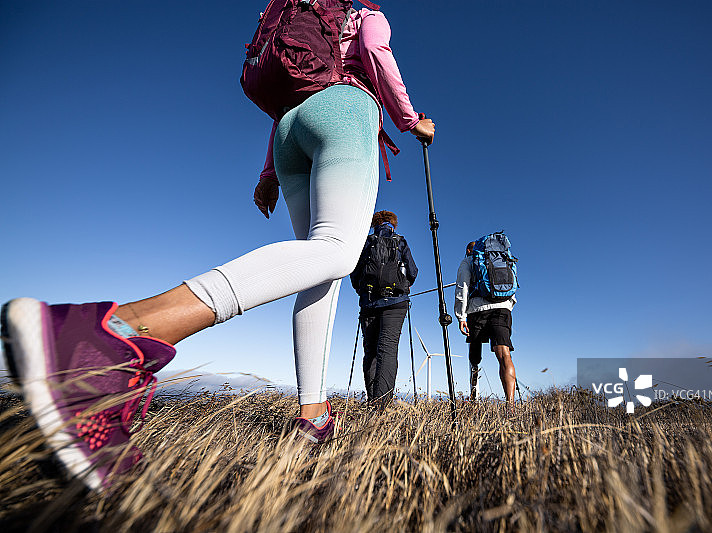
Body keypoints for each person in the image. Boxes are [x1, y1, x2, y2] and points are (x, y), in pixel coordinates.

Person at [1, 5, 434, 491]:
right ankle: (110, 337)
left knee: (318, 268)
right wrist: (409, 118)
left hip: (291, 128)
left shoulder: (305, 16)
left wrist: (270, 170)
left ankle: (312, 414)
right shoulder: (363, 13)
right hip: (344, 111)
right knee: (337, 251)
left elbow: (291, 98)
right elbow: (376, 50)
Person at [350, 210, 418, 410]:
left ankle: (372, 401)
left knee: (370, 351)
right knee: (387, 350)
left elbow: (354, 272)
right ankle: (382, 406)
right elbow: (413, 271)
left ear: (375, 224)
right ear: (393, 224)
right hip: (396, 303)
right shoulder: (400, 241)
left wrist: (363, 291)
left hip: (369, 302)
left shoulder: (367, 241)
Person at [454, 241, 517, 404]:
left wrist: (461, 316)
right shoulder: (502, 257)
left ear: (468, 249)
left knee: (474, 358)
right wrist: (508, 305)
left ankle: (473, 396)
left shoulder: (468, 260)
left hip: (477, 310)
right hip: (502, 308)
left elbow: (462, 287)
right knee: (504, 355)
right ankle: (511, 406)